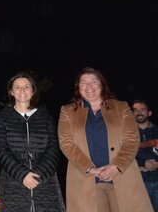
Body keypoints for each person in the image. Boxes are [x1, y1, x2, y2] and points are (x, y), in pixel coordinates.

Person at [57, 67, 152, 212]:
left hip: (122, 176)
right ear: (78, 87)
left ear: (102, 84)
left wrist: (116, 166)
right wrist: (90, 168)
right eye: (83, 82)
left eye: (93, 81)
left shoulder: (121, 107)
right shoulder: (67, 111)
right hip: (86, 180)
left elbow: (132, 139)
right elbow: (66, 143)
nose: (89, 86)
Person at [0, 72, 64, 211]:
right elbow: (1, 149)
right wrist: (22, 175)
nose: (22, 90)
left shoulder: (45, 116)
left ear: (33, 91)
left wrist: (38, 175)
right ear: (11, 92)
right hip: (13, 182)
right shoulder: (3, 116)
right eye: (17, 87)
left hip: (45, 182)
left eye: (26, 86)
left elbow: (53, 148)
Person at [132, 100, 158, 210]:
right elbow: (120, 155)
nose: (139, 112)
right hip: (136, 183)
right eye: (135, 110)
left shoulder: (156, 131)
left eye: (142, 109)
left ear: (149, 113)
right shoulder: (126, 133)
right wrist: (142, 163)